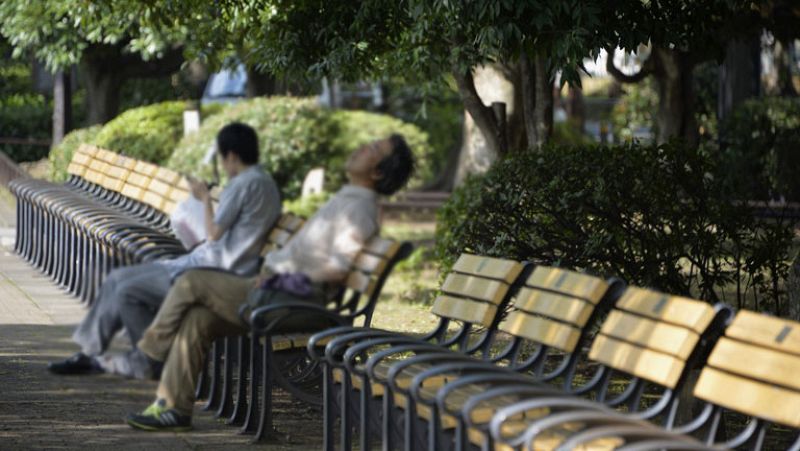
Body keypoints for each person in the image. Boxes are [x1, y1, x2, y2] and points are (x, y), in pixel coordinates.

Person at [125, 134, 414, 432]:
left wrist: (279, 276)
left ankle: (149, 354)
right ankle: (173, 409)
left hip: (292, 301)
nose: (363, 146)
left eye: (374, 148)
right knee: (198, 319)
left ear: (377, 172)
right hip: (281, 293)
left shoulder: (360, 209)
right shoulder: (350, 198)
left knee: (191, 282)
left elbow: (336, 268)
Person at [48, 122, 282, 379]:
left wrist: (204, 198)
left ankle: (150, 359)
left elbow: (213, 233)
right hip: (209, 263)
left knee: (126, 289)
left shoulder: (244, 183)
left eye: (223, 159)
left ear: (232, 156)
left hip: (212, 272)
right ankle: (99, 353)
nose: (224, 166)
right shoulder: (266, 183)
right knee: (117, 279)